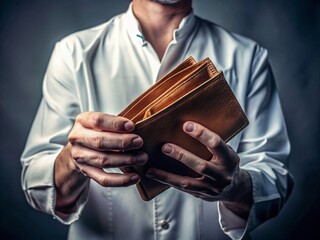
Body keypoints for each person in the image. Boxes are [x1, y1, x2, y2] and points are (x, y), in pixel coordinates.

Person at [20, 0, 293, 239]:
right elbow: (36, 184)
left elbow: (275, 178)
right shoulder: (72, 54)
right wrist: (72, 160)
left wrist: (236, 187)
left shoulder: (249, 57)